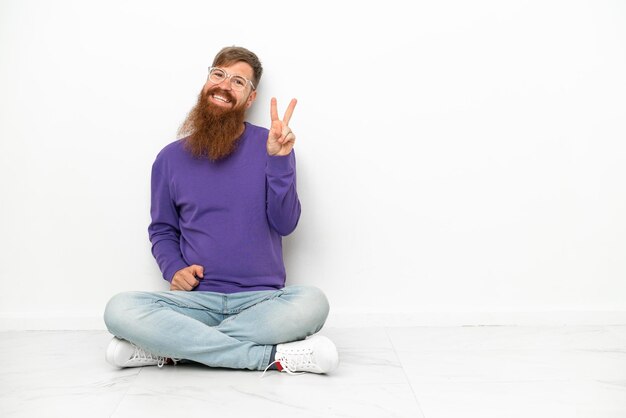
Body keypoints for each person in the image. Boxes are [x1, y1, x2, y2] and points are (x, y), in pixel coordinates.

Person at [103, 46, 338, 375]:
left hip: (262, 302)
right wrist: (173, 268)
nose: (225, 85)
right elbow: (162, 230)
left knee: (313, 302)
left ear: (250, 97)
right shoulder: (169, 159)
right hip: (195, 302)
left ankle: (170, 349)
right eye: (219, 74)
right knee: (119, 309)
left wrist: (279, 159)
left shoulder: (272, 145)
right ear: (206, 82)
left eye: (238, 81)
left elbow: (285, 224)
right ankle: (267, 357)